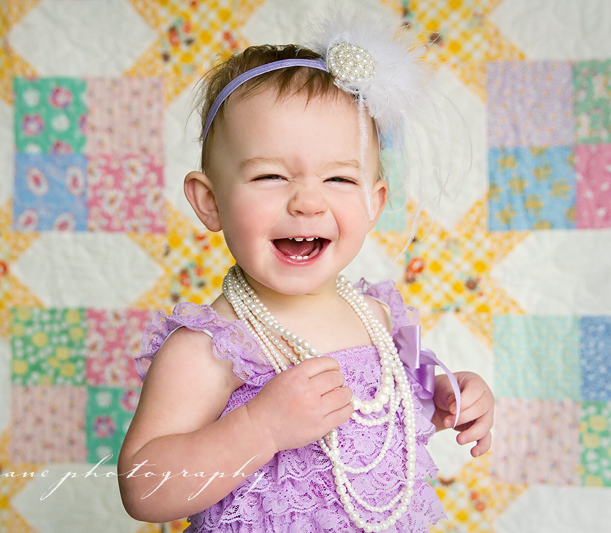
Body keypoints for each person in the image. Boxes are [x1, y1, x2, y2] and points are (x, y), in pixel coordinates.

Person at [118, 7, 494, 533]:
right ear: (209, 202)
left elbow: (393, 413)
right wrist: (261, 427)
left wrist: (449, 395)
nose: (308, 202)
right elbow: (143, 490)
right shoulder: (211, 347)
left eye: (340, 179)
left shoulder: (379, 318)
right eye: (271, 176)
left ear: (374, 202)